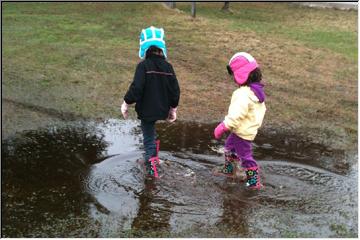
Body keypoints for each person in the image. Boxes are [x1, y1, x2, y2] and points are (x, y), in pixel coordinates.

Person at [121, 26, 180, 178]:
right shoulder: (168, 67)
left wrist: (126, 103)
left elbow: (137, 88)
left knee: (148, 137)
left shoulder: (143, 66)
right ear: (161, 48)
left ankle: (152, 170)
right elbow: (175, 90)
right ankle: (153, 158)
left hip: (147, 110)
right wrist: (173, 108)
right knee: (151, 134)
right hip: (162, 108)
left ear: (144, 48)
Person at [213, 52, 266, 189]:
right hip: (245, 130)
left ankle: (254, 182)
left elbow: (236, 114)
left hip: (242, 132)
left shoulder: (242, 94)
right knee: (229, 148)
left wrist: (224, 126)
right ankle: (230, 170)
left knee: (246, 157)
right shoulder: (256, 92)